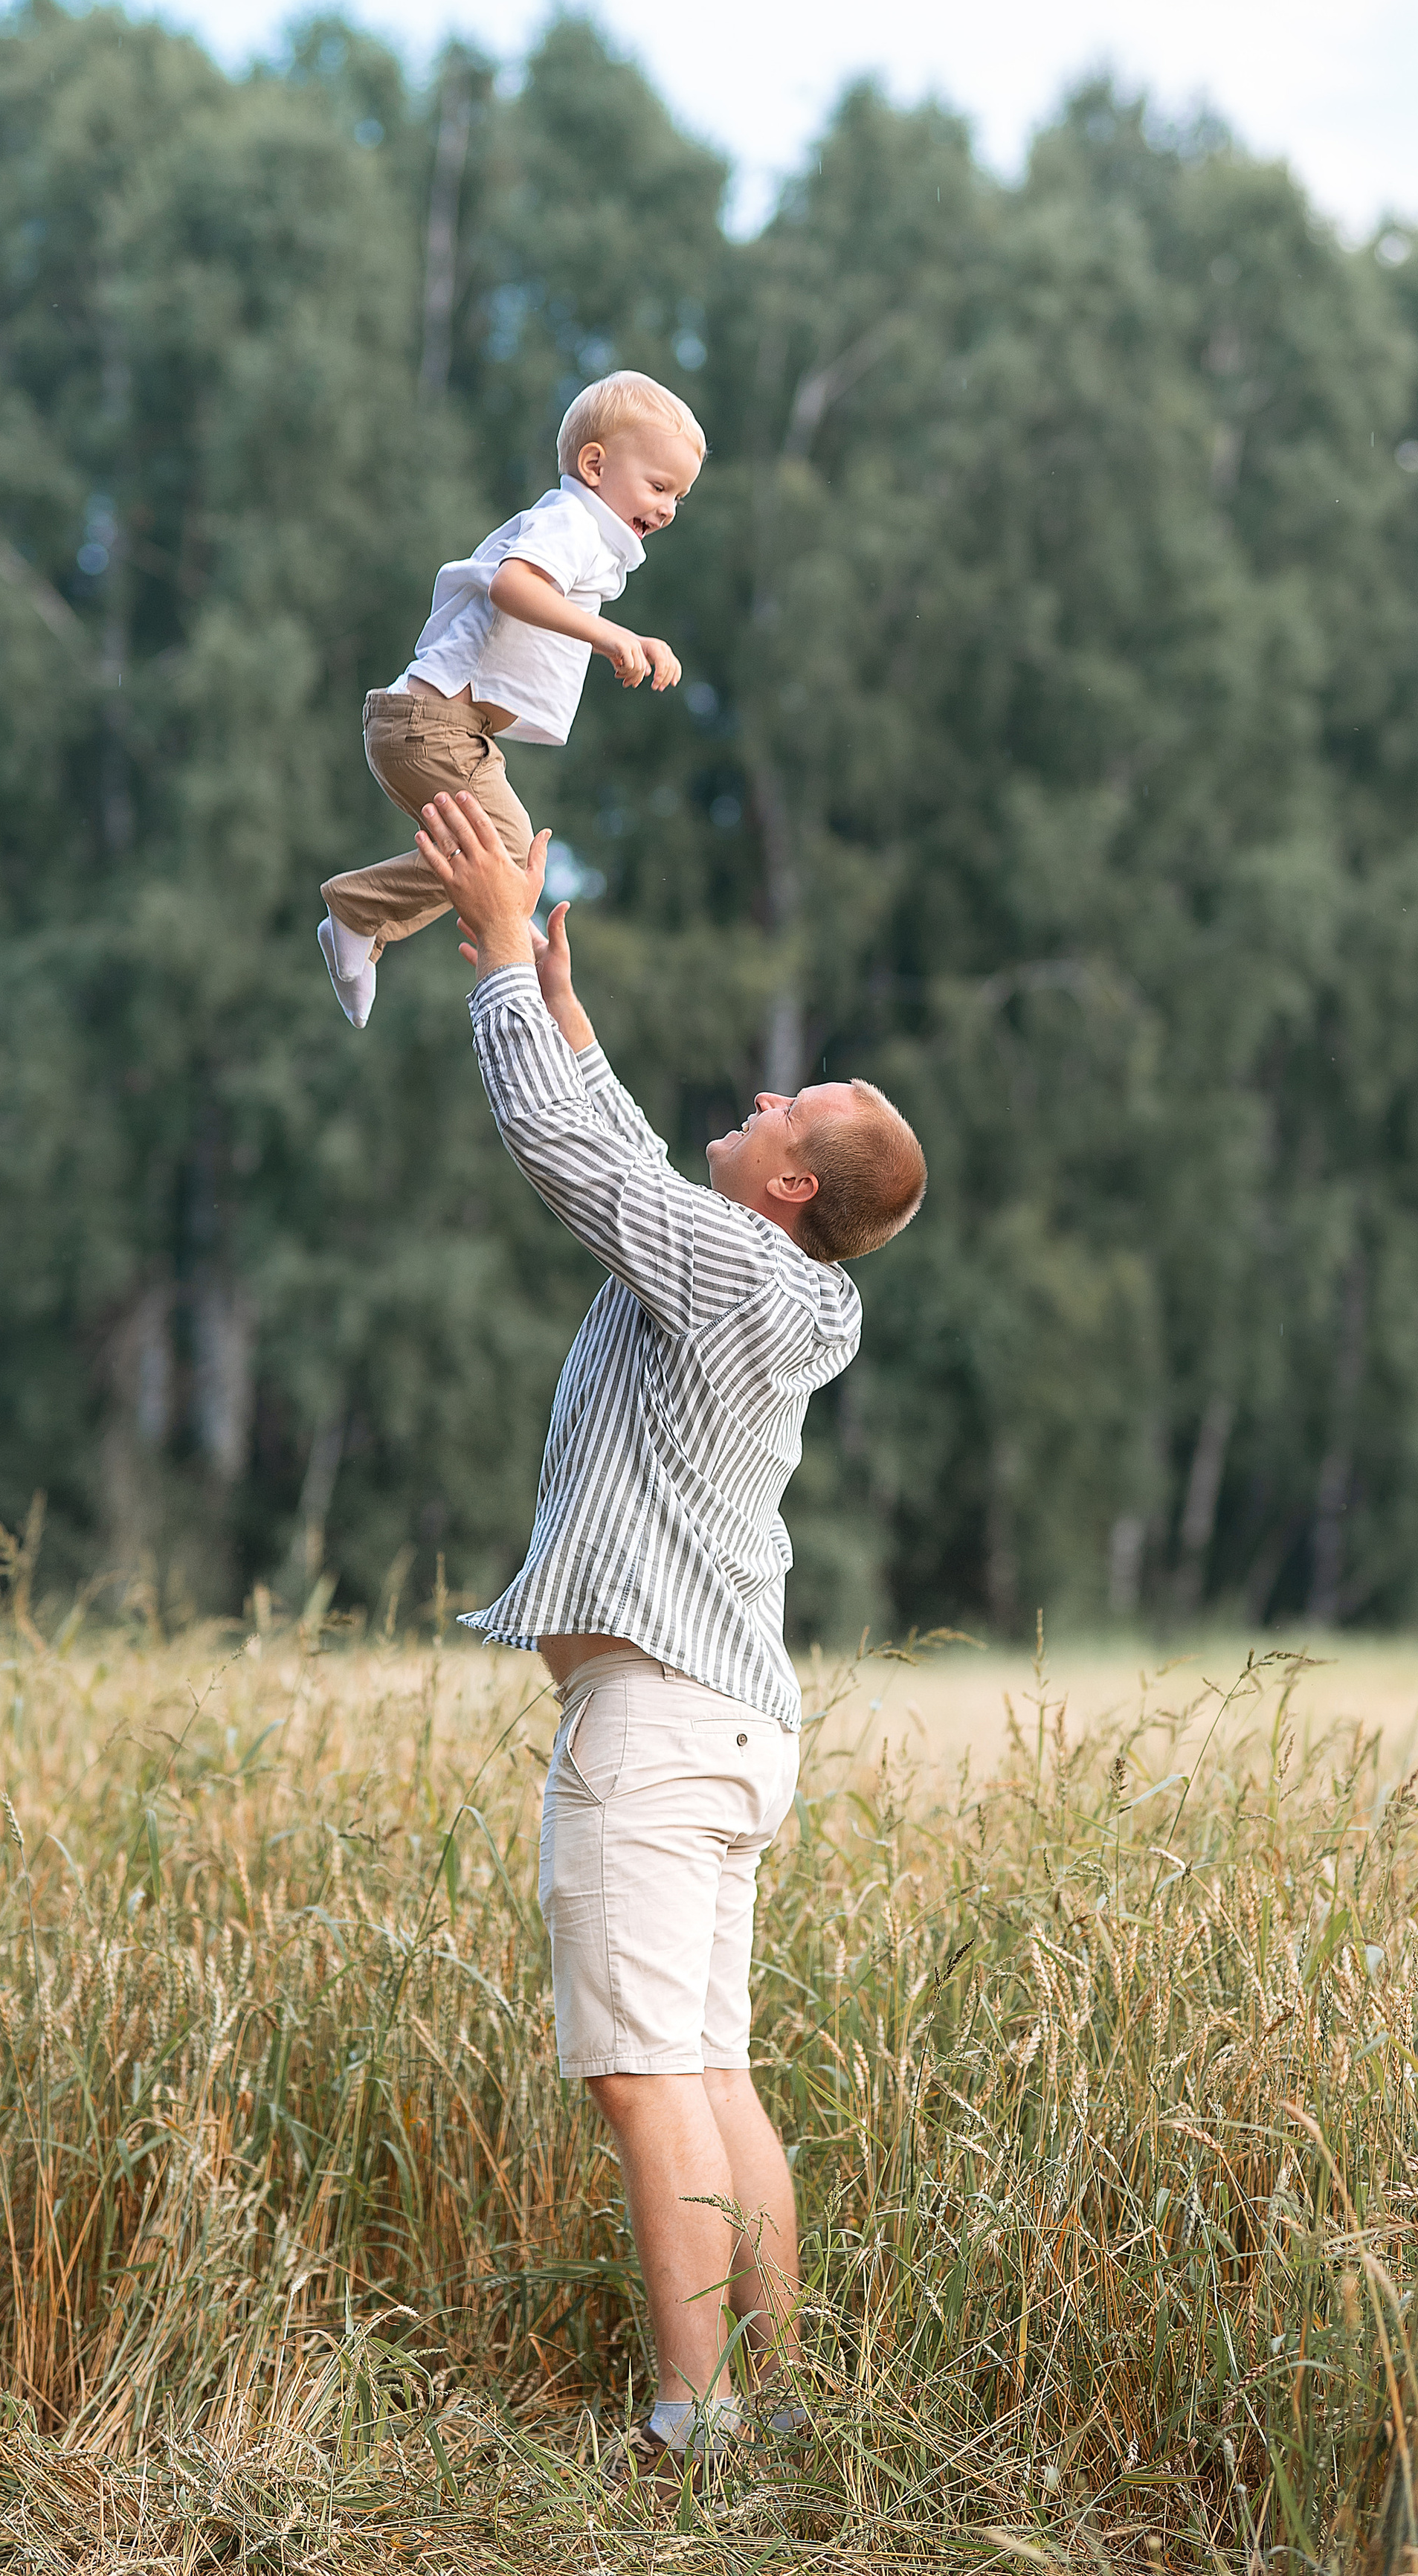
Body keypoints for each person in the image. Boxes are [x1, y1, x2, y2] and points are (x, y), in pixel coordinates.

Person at [413, 784, 926, 2484]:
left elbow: (575, 1162)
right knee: (708, 2069)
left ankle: (691, 2418)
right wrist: (567, 1014)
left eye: (800, 1101)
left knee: (643, 2080)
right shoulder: (783, 1280)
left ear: (788, 1178)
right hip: (727, 1728)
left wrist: (494, 957)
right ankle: (774, 2405)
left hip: (651, 1731)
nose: (770, 1090)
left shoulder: (729, 1269)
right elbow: (638, 1165)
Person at [317, 370, 703, 1025]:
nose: (667, 508)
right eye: (659, 487)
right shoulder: (569, 523)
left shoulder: (585, 538)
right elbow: (512, 587)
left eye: (679, 498)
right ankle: (358, 911)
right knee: (506, 847)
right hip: (429, 723)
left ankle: (389, 922)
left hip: (448, 730)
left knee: (506, 862)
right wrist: (613, 636)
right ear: (594, 465)